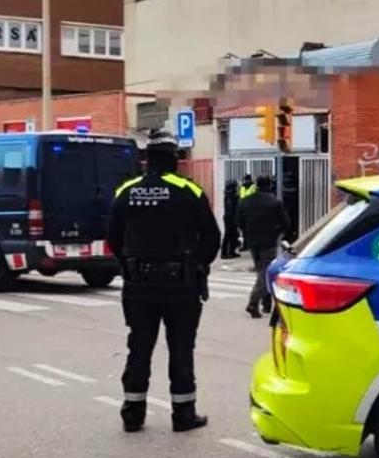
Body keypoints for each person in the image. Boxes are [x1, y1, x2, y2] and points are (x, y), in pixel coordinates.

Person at [107, 129, 220, 433]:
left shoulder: (126, 191)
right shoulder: (188, 191)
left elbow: (113, 237)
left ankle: (133, 413)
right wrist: (196, 266)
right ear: (173, 159)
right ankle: (183, 415)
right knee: (181, 349)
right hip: (180, 285)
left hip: (138, 285)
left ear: (147, 159)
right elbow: (212, 238)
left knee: (139, 346)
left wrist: (129, 264)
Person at [237, 175, 291, 319]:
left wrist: (248, 232)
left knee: (261, 270)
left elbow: (239, 222)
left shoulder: (245, 201)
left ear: (256, 185)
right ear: (269, 185)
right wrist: (278, 232)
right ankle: (253, 303)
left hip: (252, 241)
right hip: (269, 241)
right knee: (265, 272)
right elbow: (286, 223)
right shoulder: (275, 203)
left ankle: (266, 303)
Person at [221, 179, 240, 259]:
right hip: (230, 218)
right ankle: (225, 252)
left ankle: (231, 251)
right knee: (228, 235)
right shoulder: (230, 196)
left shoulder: (230, 195)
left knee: (233, 235)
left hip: (230, 217)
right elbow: (231, 209)